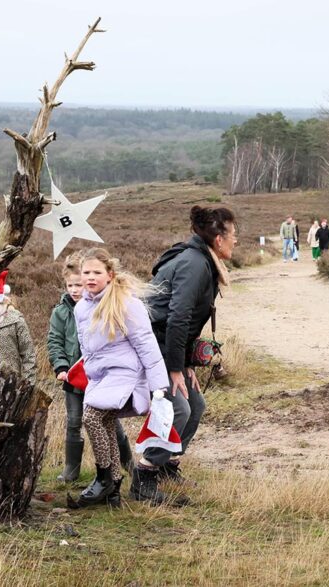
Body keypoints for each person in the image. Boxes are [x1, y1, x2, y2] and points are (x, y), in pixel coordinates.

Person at [138, 205, 238, 503]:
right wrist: (175, 368)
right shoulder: (194, 263)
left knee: (196, 404)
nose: (237, 240)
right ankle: (144, 474)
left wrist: (186, 363)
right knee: (178, 409)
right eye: (233, 234)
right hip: (154, 347)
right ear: (218, 239)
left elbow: (183, 321)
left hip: (167, 347)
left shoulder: (201, 259)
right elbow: (177, 318)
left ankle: (168, 464)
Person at [70, 248, 170, 508]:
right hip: (99, 376)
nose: (90, 277)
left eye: (96, 272)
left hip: (125, 374)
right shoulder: (81, 307)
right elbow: (85, 346)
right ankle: (113, 486)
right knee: (105, 422)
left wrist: (158, 385)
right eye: (86, 272)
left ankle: (104, 478)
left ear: (110, 274)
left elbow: (146, 343)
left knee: (91, 417)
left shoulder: (126, 302)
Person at [47, 253, 132, 483]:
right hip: (73, 379)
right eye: (70, 285)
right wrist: (61, 366)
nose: (75, 289)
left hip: (100, 377)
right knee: (74, 421)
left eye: (78, 284)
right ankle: (71, 469)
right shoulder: (60, 312)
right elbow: (54, 341)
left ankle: (127, 464)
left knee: (109, 421)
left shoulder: (101, 306)